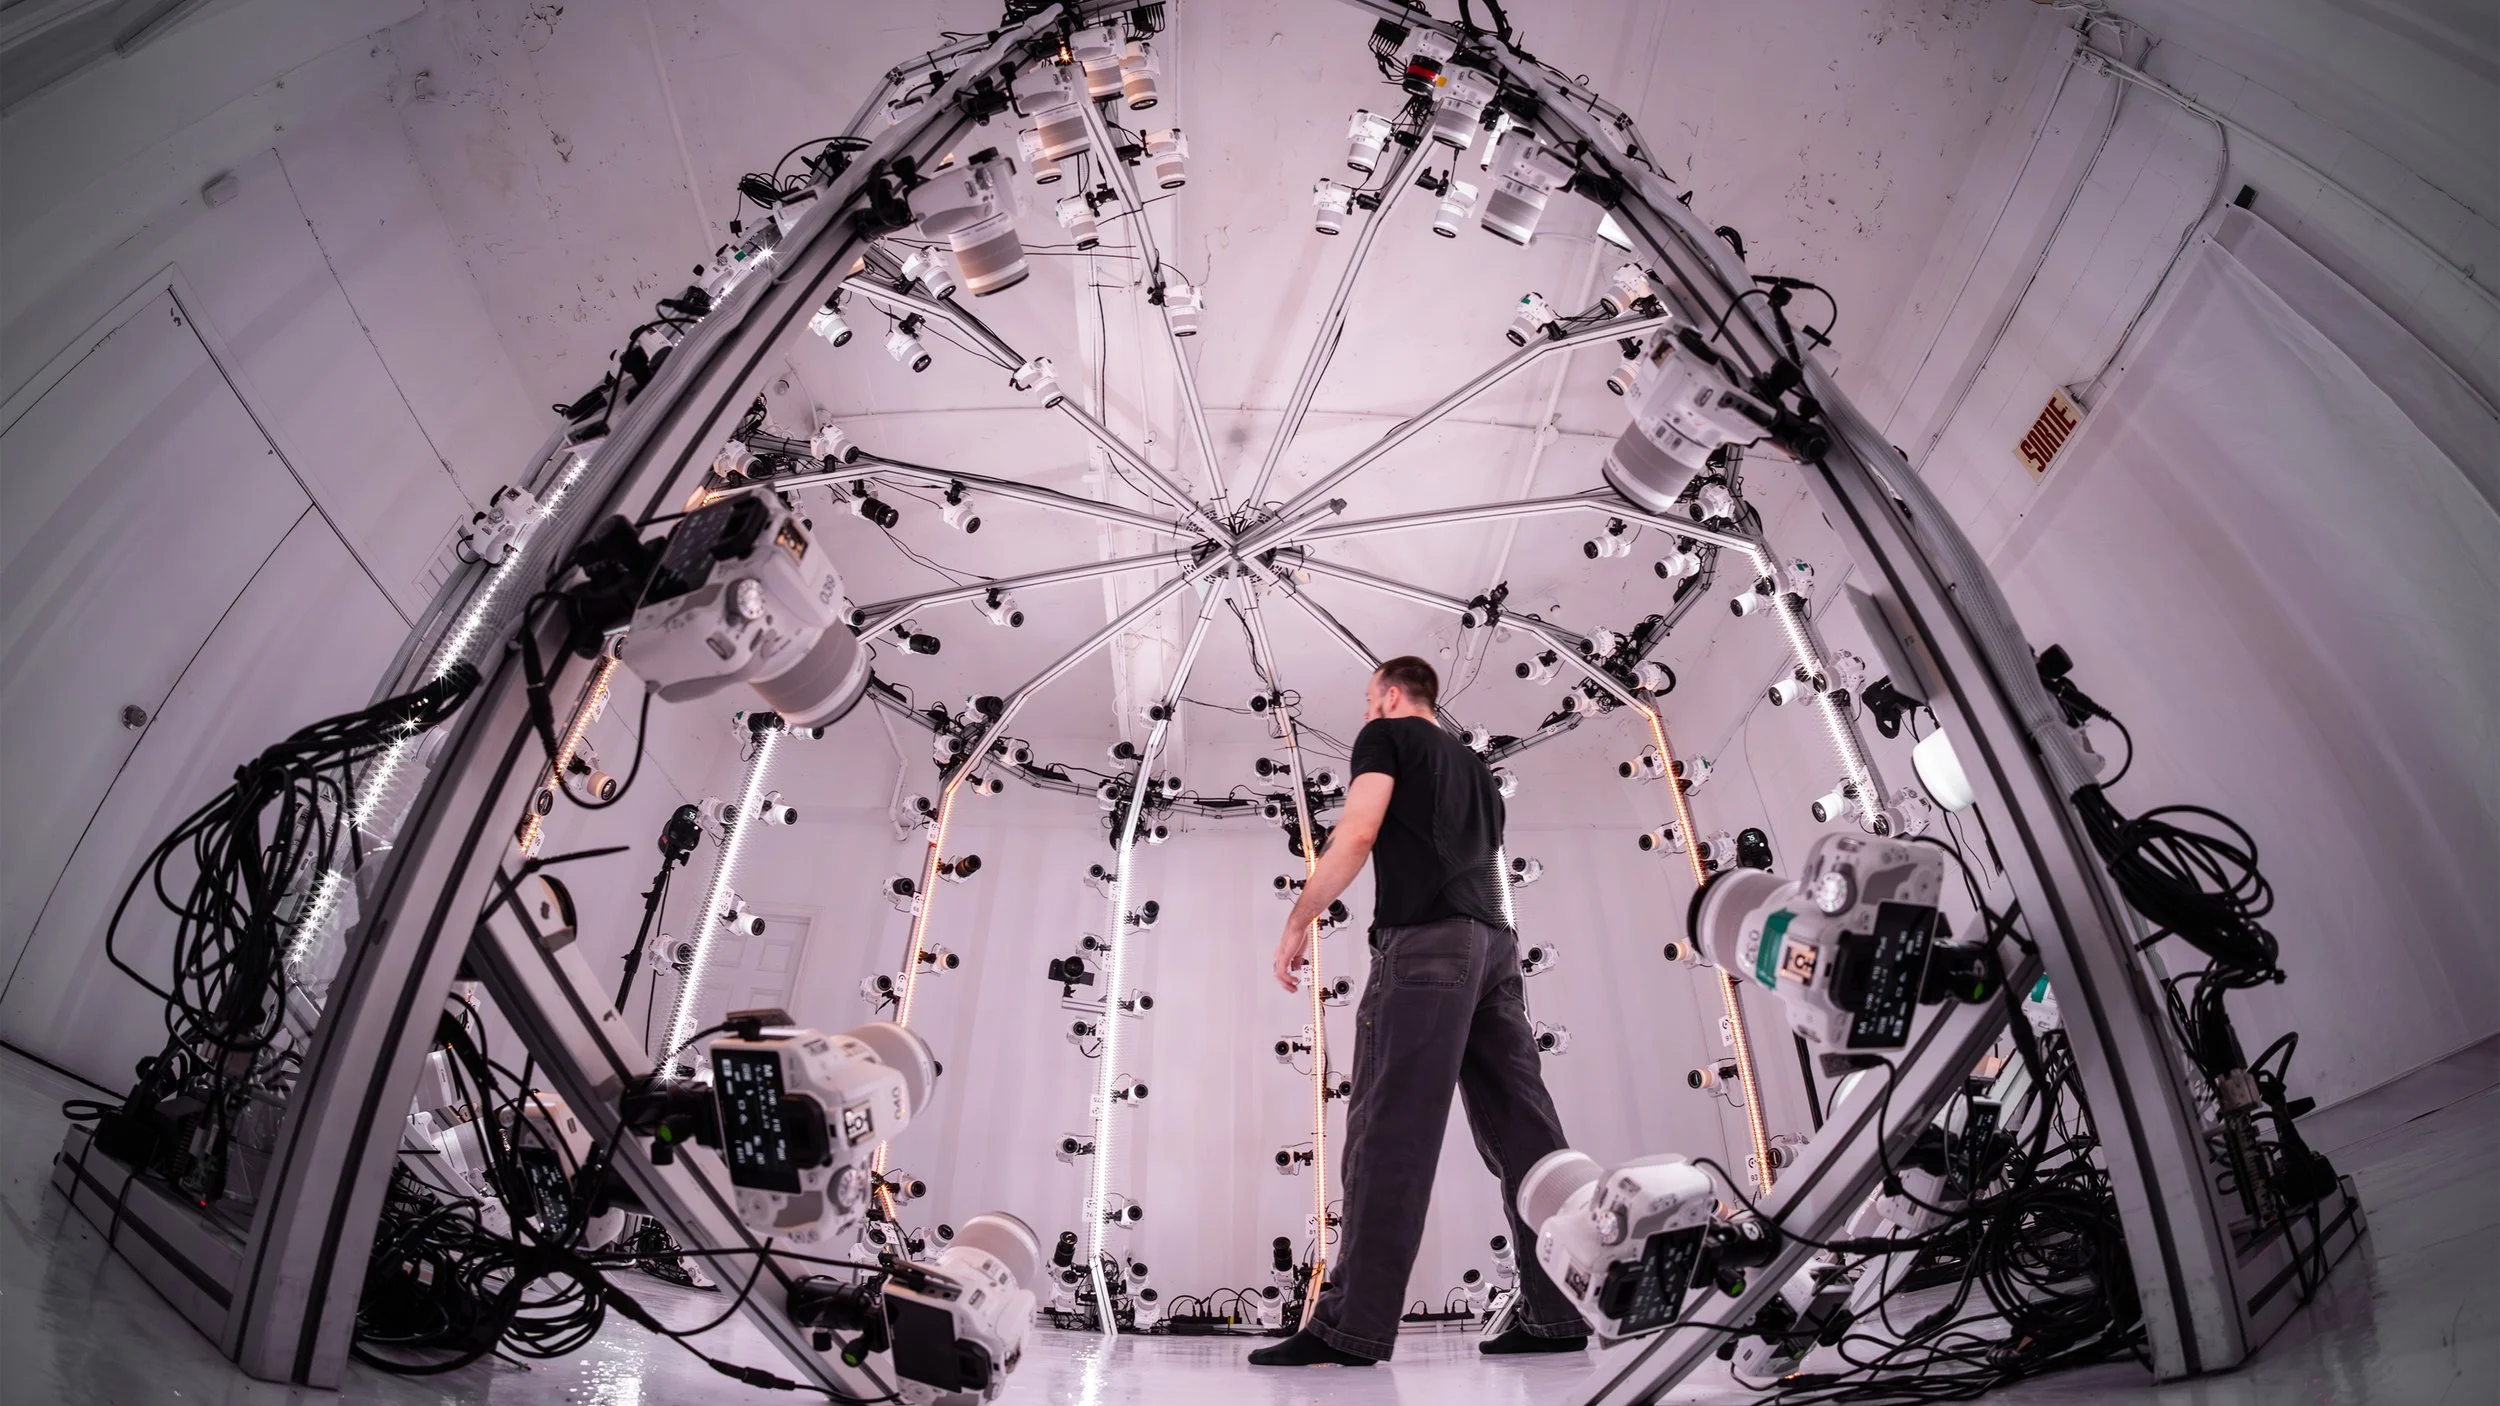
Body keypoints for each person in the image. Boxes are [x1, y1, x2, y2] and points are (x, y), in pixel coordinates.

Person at [1248, 657, 1590, 1368]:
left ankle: (1351, 1327)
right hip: (1496, 946)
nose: (1367, 711)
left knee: (1388, 1131)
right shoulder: (1479, 773)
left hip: (1427, 947)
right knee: (1527, 1133)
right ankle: (1559, 1311)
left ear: (1393, 695)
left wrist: (1298, 920)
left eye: (1372, 699)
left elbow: (1359, 832)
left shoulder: (1388, 737)